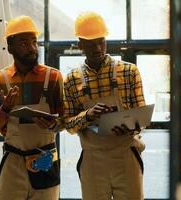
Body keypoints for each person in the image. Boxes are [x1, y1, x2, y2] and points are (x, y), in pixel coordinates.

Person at [63, 12, 146, 200]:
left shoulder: (129, 71)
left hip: (126, 153)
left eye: (101, 41)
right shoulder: (71, 80)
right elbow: (67, 124)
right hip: (93, 158)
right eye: (91, 44)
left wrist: (131, 125)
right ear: (80, 45)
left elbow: (142, 116)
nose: (98, 48)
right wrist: (88, 115)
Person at [0, 15, 64, 200]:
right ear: (10, 47)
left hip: (45, 159)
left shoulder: (53, 77)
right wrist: (4, 109)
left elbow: (66, 121)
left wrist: (53, 124)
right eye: (24, 43)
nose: (32, 47)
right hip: (13, 161)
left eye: (34, 41)